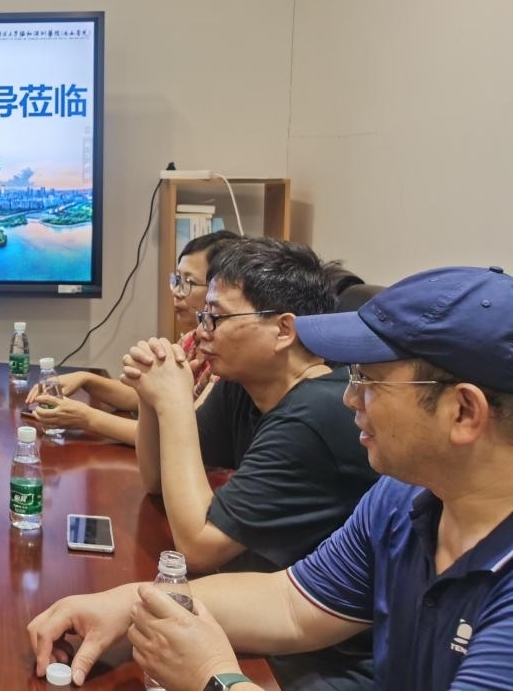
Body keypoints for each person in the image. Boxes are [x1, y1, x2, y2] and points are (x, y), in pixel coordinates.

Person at [28, 265, 513, 691]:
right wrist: (131, 603)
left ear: (463, 411)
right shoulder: (402, 499)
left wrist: (214, 678)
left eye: (369, 380)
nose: (350, 398)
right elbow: (291, 604)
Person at [121, 237, 380, 688]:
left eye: (216, 317)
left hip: (317, 659)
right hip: (262, 609)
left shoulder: (316, 414)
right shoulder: (244, 384)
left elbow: (197, 545)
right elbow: (158, 481)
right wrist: (150, 394)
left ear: (283, 329)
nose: (202, 330)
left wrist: (175, 403)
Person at [26, 230, 241, 445]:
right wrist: (86, 379)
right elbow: (141, 397)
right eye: (177, 280)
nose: (176, 291)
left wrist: (85, 418)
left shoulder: (227, 363)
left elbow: (186, 438)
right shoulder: (191, 341)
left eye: (188, 282)